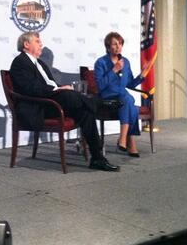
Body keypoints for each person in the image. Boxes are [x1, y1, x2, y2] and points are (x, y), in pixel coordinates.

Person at [9, 32, 119, 171]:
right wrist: (58, 90)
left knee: (86, 112)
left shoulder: (40, 63)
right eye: (37, 41)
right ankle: (101, 104)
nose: (41, 44)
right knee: (70, 95)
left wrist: (60, 87)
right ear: (26, 44)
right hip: (38, 106)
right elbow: (29, 88)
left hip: (49, 102)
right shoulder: (20, 62)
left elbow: (50, 84)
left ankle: (97, 158)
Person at [94, 32, 143, 157]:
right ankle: (129, 141)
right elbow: (100, 86)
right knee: (129, 101)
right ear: (108, 47)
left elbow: (130, 84)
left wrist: (141, 76)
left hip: (122, 98)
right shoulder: (101, 62)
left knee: (129, 102)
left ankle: (123, 139)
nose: (118, 46)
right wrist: (114, 70)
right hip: (107, 98)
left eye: (120, 44)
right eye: (114, 44)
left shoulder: (125, 61)